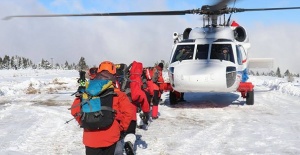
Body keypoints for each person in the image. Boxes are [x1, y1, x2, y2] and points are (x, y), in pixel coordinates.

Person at [70, 61, 133, 155]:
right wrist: (121, 129)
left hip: (90, 139)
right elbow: (128, 113)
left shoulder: (87, 90)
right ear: (114, 75)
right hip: (110, 136)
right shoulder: (118, 93)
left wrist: (85, 121)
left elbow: (74, 110)